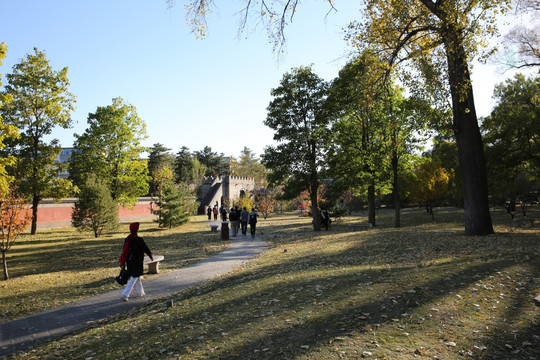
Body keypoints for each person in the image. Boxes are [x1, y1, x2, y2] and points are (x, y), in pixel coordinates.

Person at [119, 222, 153, 301]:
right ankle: (125, 294)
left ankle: (141, 292)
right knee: (134, 277)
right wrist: (150, 256)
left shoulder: (128, 239)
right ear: (137, 229)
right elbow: (145, 248)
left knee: (136, 277)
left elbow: (124, 250)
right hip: (137, 261)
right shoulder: (138, 240)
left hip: (129, 261)